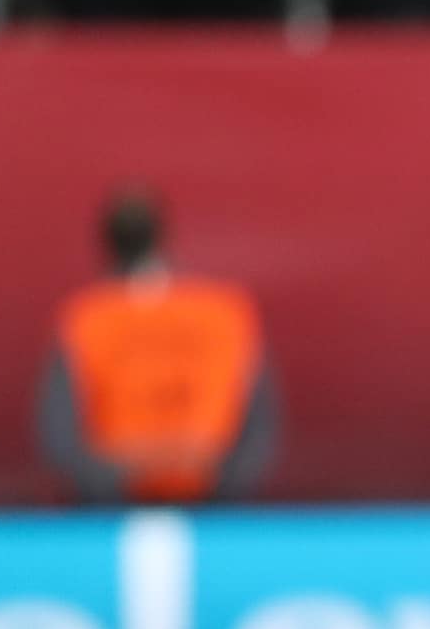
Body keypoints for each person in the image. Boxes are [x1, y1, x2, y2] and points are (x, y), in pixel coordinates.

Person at [39, 187, 279, 504]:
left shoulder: (87, 319)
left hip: (113, 499)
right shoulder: (223, 313)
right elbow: (260, 415)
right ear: (164, 238)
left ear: (107, 245)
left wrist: (103, 478)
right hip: (212, 493)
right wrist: (228, 478)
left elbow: (59, 430)